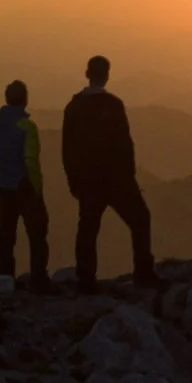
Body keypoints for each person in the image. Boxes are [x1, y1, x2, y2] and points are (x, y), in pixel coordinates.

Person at [62, 54, 159, 290]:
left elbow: (67, 148)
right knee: (140, 219)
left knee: (88, 227)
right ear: (107, 75)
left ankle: (85, 279)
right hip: (117, 180)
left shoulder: (74, 107)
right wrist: (130, 177)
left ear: (87, 74)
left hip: (87, 181)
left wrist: (73, 181)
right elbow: (125, 144)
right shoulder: (113, 105)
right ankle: (143, 273)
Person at [0, 80, 51, 291]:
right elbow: (30, 160)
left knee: (6, 233)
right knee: (37, 232)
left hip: (5, 187)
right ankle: (39, 281)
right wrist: (36, 187)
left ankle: (4, 278)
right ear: (25, 100)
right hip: (25, 186)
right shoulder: (27, 128)